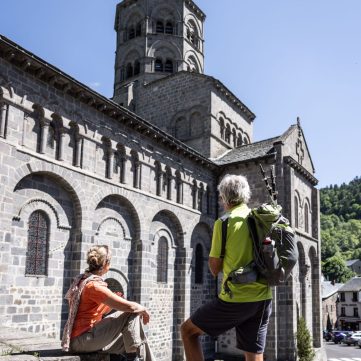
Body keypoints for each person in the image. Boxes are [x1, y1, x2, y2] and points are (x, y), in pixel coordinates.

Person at [181, 174, 272, 361]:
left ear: (225, 197)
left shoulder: (224, 223)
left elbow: (214, 268)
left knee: (188, 331)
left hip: (235, 297)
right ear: (245, 195)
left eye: (221, 198)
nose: (221, 202)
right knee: (254, 354)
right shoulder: (259, 219)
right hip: (263, 298)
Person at [61, 245, 155, 361]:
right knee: (131, 313)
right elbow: (130, 307)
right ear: (106, 264)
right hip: (82, 340)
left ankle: (135, 357)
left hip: (82, 340)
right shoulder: (94, 286)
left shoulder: (84, 280)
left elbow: (95, 310)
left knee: (139, 340)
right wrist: (143, 309)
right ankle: (133, 358)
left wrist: (114, 300)